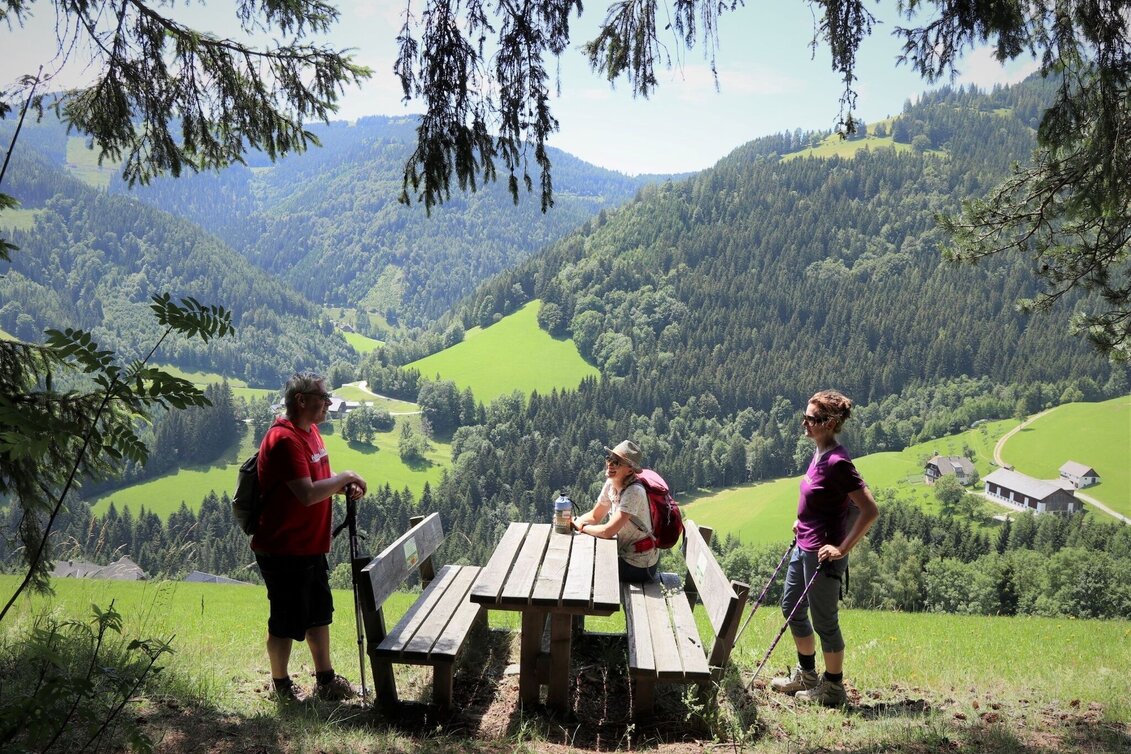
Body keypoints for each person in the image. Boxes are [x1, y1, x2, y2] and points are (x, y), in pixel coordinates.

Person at [251, 372, 368, 702]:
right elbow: (305, 494)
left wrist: (340, 484)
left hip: (310, 546)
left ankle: (326, 680)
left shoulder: (310, 432)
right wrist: (346, 475)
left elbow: (317, 479)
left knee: (318, 612)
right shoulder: (284, 440)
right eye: (323, 398)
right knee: (285, 620)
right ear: (301, 400)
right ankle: (281, 686)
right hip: (284, 547)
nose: (328, 404)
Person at [770, 389, 878, 707]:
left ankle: (833, 690)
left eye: (812, 419)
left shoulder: (837, 462)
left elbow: (869, 510)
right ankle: (806, 676)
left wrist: (842, 548)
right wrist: (800, 520)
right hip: (803, 544)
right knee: (791, 608)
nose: (805, 423)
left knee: (825, 622)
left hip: (822, 556)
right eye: (804, 417)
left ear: (829, 423)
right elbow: (821, 500)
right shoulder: (818, 452)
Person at [572, 440, 659, 583]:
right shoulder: (611, 483)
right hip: (622, 553)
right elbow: (595, 516)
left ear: (630, 470)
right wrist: (577, 522)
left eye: (617, 462)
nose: (610, 464)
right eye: (609, 459)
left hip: (640, 564)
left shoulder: (634, 492)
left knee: (586, 569)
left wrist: (584, 528)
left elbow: (608, 531)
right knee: (583, 563)